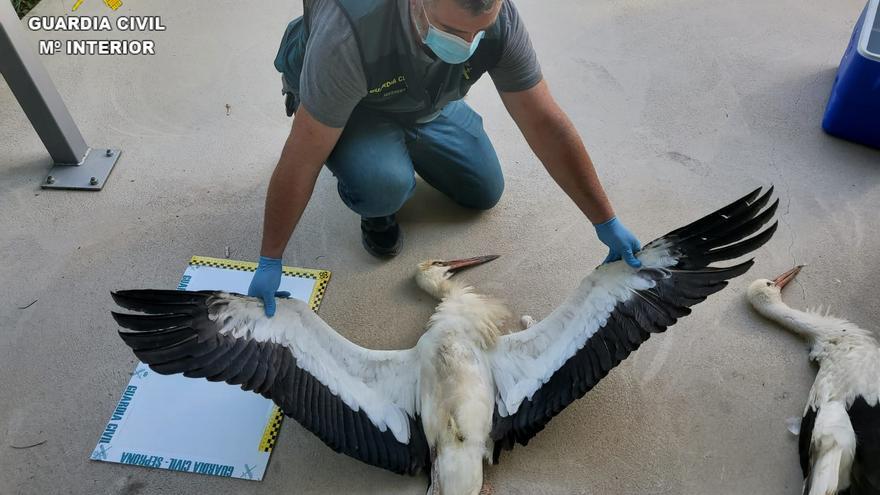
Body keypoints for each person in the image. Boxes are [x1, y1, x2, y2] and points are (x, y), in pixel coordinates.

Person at [249, 0, 642, 317]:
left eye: (478, 32)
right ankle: (377, 205)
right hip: (353, 107)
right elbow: (301, 156)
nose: (467, 43)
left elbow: (546, 124)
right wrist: (270, 258)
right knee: (384, 183)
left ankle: (408, 136)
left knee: (485, 189)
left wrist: (604, 219)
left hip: (425, 99)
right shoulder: (349, 33)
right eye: (453, 32)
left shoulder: (499, 19)